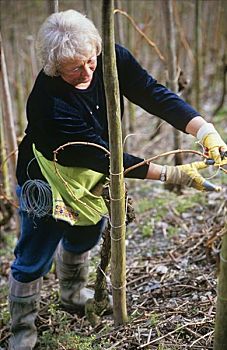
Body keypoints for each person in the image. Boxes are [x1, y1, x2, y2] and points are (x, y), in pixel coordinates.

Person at [9, 9, 227, 350]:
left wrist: (204, 130)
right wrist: (171, 174)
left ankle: (72, 294)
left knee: (87, 229)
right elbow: (104, 158)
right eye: (74, 68)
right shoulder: (48, 104)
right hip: (49, 178)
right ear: (54, 67)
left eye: (90, 61)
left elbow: (152, 93)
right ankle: (22, 326)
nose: (86, 72)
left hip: (91, 172)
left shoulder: (109, 57)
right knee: (35, 250)